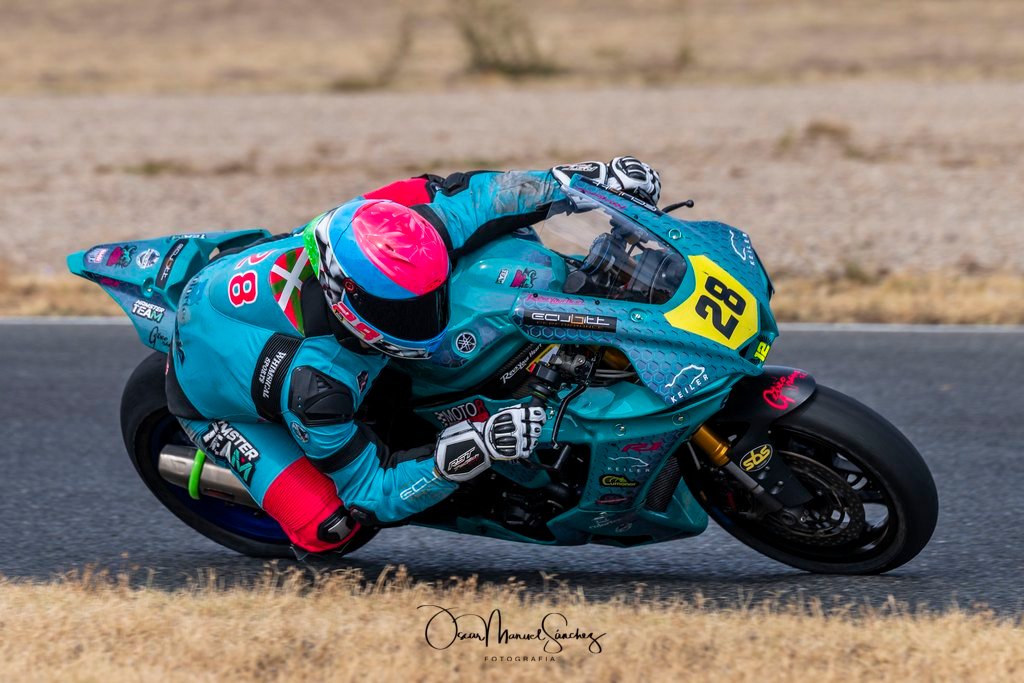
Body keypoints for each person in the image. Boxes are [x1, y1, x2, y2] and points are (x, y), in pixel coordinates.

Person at [166, 157, 661, 553]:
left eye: (430, 297)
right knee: (331, 527)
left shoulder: (403, 231)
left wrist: (585, 180)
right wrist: (473, 448)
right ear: (349, 303)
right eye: (406, 311)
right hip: (215, 396)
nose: (427, 315)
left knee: (456, 210)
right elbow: (370, 493)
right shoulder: (317, 385)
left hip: (266, 285)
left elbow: (490, 197)